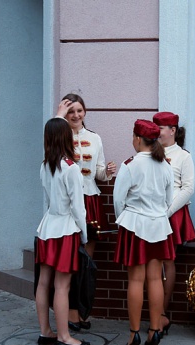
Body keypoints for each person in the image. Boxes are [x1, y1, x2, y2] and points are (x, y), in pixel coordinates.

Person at [56, 94, 117, 332]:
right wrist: (58, 116)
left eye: (79, 110)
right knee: (71, 259)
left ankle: (81, 311)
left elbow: (99, 173)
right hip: (69, 202)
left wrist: (108, 171)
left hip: (91, 199)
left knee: (86, 261)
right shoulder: (59, 136)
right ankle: (69, 312)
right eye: (70, 111)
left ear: (85, 111)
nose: (75, 115)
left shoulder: (95, 138)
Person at [113, 119, 175, 345]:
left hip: (135, 225)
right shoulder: (165, 165)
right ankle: (154, 331)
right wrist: (158, 215)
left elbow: (118, 200)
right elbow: (169, 201)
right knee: (156, 279)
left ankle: (134, 334)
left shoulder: (130, 164)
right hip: (158, 225)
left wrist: (125, 220)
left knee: (136, 281)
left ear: (138, 139)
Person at [35, 117, 90, 345]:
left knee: (43, 282)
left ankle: (46, 332)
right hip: (66, 229)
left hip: (47, 226)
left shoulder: (44, 165)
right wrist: (85, 236)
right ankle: (64, 337)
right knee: (62, 286)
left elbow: (49, 200)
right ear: (67, 137)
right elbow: (78, 208)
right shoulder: (71, 169)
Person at [153, 111, 195, 338]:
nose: (157, 132)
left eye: (161, 128)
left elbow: (188, 188)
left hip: (172, 213)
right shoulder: (148, 152)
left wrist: (168, 211)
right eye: (155, 127)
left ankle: (162, 312)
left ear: (172, 130)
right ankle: (155, 313)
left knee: (167, 261)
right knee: (153, 263)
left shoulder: (183, 156)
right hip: (150, 213)